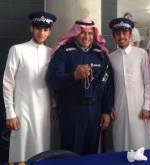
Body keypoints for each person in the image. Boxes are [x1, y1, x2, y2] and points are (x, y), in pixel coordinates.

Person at [47, 19, 114, 156]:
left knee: (91, 151)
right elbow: (53, 80)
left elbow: (108, 85)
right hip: (71, 110)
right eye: (82, 32)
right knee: (70, 151)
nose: (87, 36)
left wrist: (106, 111)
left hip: (95, 110)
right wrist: (74, 75)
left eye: (90, 33)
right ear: (76, 33)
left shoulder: (100, 54)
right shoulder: (63, 52)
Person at [3, 12, 57, 162]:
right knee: (21, 148)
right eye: (38, 28)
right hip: (22, 110)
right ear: (31, 28)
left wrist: (53, 105)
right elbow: (8, 82)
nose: (42, 32)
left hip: (44, 110)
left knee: (42, 146)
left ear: (49, 31)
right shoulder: (17, 50)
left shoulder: (51, 53)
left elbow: (51, 83)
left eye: (45, 29)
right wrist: (10, 112)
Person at [109, 18, 150, 152]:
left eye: (124, 33)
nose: (121, 37)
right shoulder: (110, 57)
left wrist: (147, 106)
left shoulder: (141, 54)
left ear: (130, 35)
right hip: (118, 106)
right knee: (120, 141)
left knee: (140, 141)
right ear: (114, 37)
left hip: (139, 106)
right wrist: (110, 105)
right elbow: (109, 86)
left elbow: (148, 82)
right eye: (118, 34)